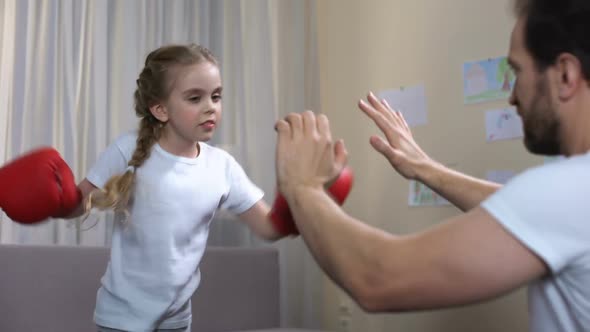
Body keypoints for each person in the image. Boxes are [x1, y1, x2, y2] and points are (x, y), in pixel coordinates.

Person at [274, 0, 590, 331]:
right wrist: (424, 167)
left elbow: (378, 277)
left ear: (566, 75)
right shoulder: (571, 194)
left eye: (517, 71)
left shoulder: (568, 189)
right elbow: (526, 208)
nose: (512, 97)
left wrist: (302, 186)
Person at [0, 43, 352, 331]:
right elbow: (77, 203)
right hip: (119, 318)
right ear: (161, 109)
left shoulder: (222, 167)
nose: (210, 108)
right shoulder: (127, 150)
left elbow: (271, 227)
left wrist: (308, 197)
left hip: (177, 320)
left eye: (216, 96)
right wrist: (52, 198)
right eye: (195, 98)